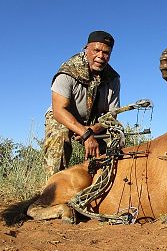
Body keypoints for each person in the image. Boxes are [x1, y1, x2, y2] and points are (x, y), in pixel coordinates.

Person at [43, 30, 120, 176]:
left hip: (93, 124)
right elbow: (59, 110)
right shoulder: (68, 71)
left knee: (116, 139)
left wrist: (92, 130)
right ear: (86, 49)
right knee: (59, 134)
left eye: (106, 53)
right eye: (96, 50)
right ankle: (52, 189)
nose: (101, 56)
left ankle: (102, 182)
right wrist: (84, 133)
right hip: (64, 118)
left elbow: (112, 116)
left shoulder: (113, 78)